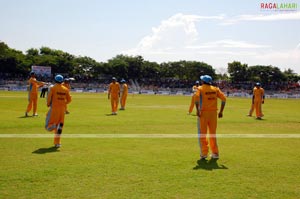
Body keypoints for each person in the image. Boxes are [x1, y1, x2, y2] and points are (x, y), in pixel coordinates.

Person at [196, 75, 226, 160]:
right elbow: (224, 99)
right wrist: (221, 111)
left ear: (203, 81)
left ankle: (204, 153)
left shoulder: (200, 89)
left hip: (203, 113)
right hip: (213, 114)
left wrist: (197, 110)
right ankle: (215, 153)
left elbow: (196, 99)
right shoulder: (215, 89)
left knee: (202, 134)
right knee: (212, 134)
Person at [45, 74, 72, 148]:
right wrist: (63, 103)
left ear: (55, 80)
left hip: (54, 109)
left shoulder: (53, 88)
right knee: (60, 127)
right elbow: (69, 100)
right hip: (62, 110)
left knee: (48, 125)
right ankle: (57, 143)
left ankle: (53, 126)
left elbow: (49, 98)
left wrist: (48, 104)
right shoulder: (65, 89)